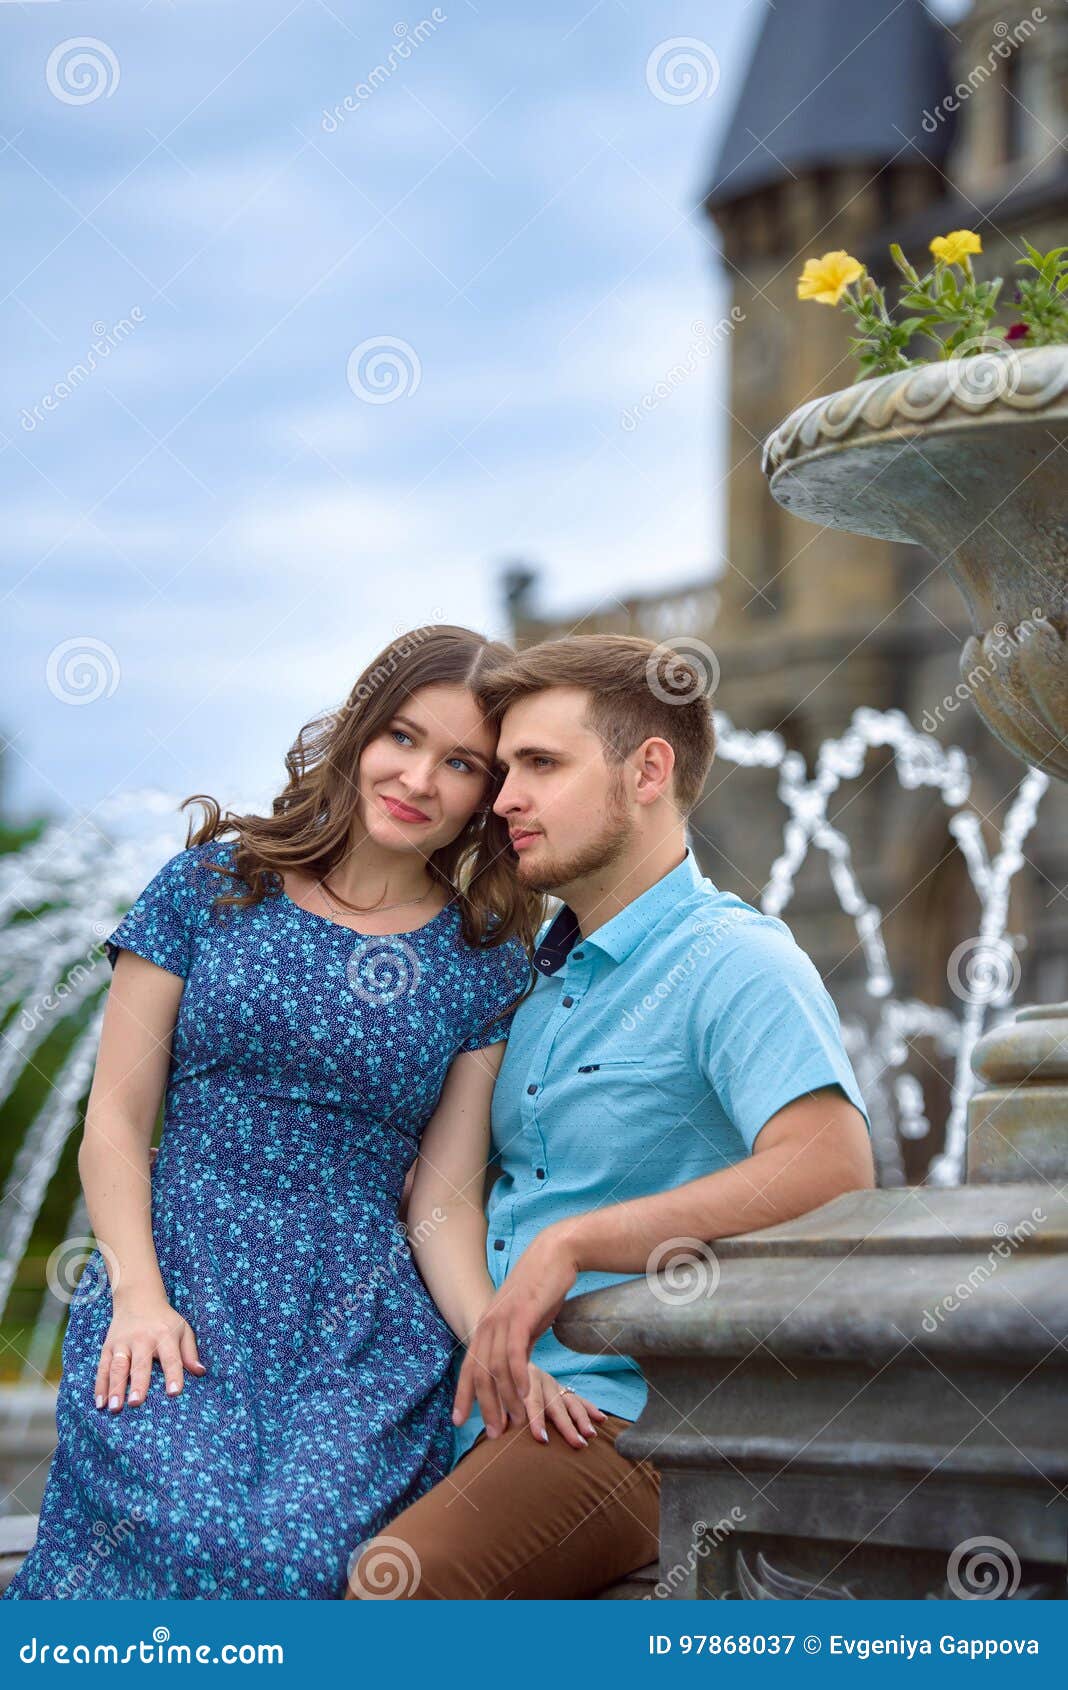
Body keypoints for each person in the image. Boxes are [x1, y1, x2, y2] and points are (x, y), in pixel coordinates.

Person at [6, 625, 604, 1602]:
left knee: (301, 1556)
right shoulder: (210, 887)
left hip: (356, 1334)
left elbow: (442, 1202)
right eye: (403, 738)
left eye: (461, 763)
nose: (418, 778)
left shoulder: (480, 966)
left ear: (486, 797)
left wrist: (499, 1335)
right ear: (361, 731)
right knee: (181, 1523)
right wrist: (139, 1295)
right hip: (178, 1294)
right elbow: (114, 1125)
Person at [347, 632, 875, 1601]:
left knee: (396, 1590)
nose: (503, 799)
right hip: (488, 1410)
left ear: (648, 770)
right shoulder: (536, 977)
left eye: (542, 765)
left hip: (635, 1425)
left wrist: (578, 1242)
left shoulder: (736, 961)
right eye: (503, 769)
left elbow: (830, 1166)